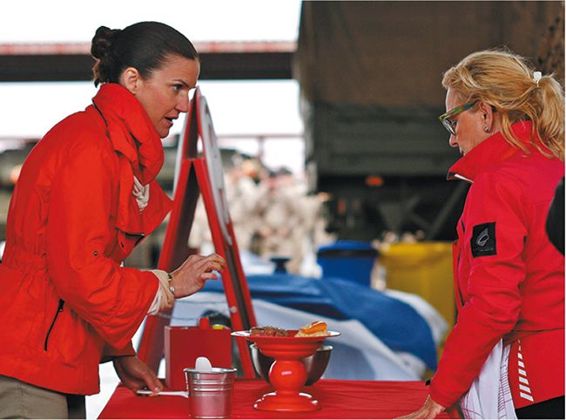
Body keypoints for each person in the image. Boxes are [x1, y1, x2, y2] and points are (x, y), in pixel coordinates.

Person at [0, 22, 226, 419]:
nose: (185, 105)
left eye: (189, 91)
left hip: (53, 356)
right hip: (29, 363)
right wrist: (168, 284)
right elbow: (79, 270)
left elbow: (88, 263)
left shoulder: (109, 146)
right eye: (177, 88)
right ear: (133, 80)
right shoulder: (90, 148)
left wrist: (120, 351)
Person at [403, 49, 564, 419]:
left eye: (452, 121)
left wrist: (439, 396)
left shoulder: (498, 185)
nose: (452, 139)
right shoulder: (556, 167)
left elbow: (493, 306)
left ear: (486, 114)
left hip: (536, 383)